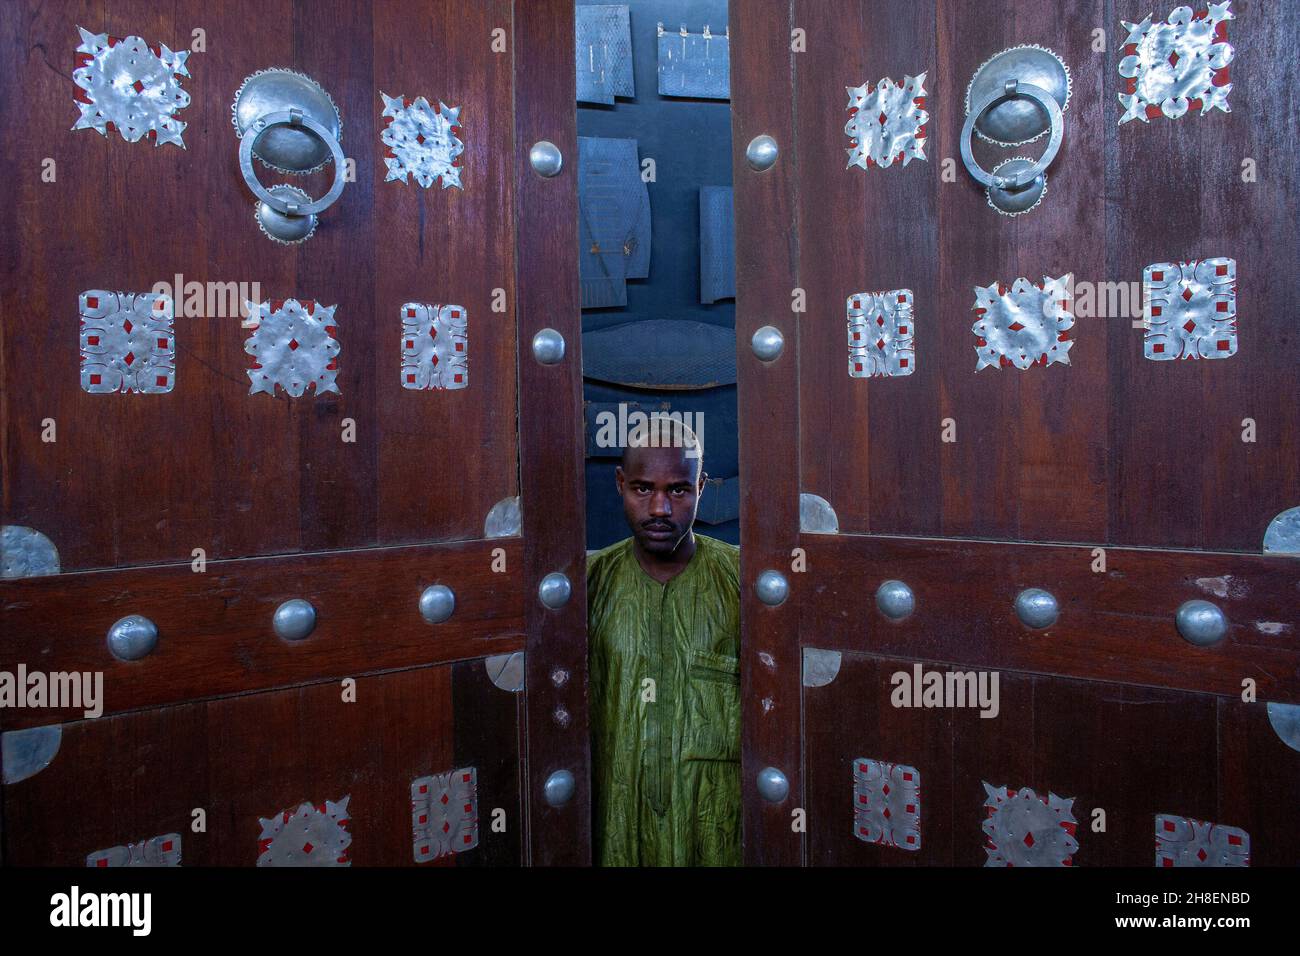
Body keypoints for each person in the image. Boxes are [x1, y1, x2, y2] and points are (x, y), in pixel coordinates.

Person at [586, 416, 741, 866]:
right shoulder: (590, 584)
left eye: (677, 490)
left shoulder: (742, 581)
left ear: (701, 487)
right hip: (616, 828)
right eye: (642, 489)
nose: (659, 508)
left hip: (716, 833)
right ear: (619, 484)